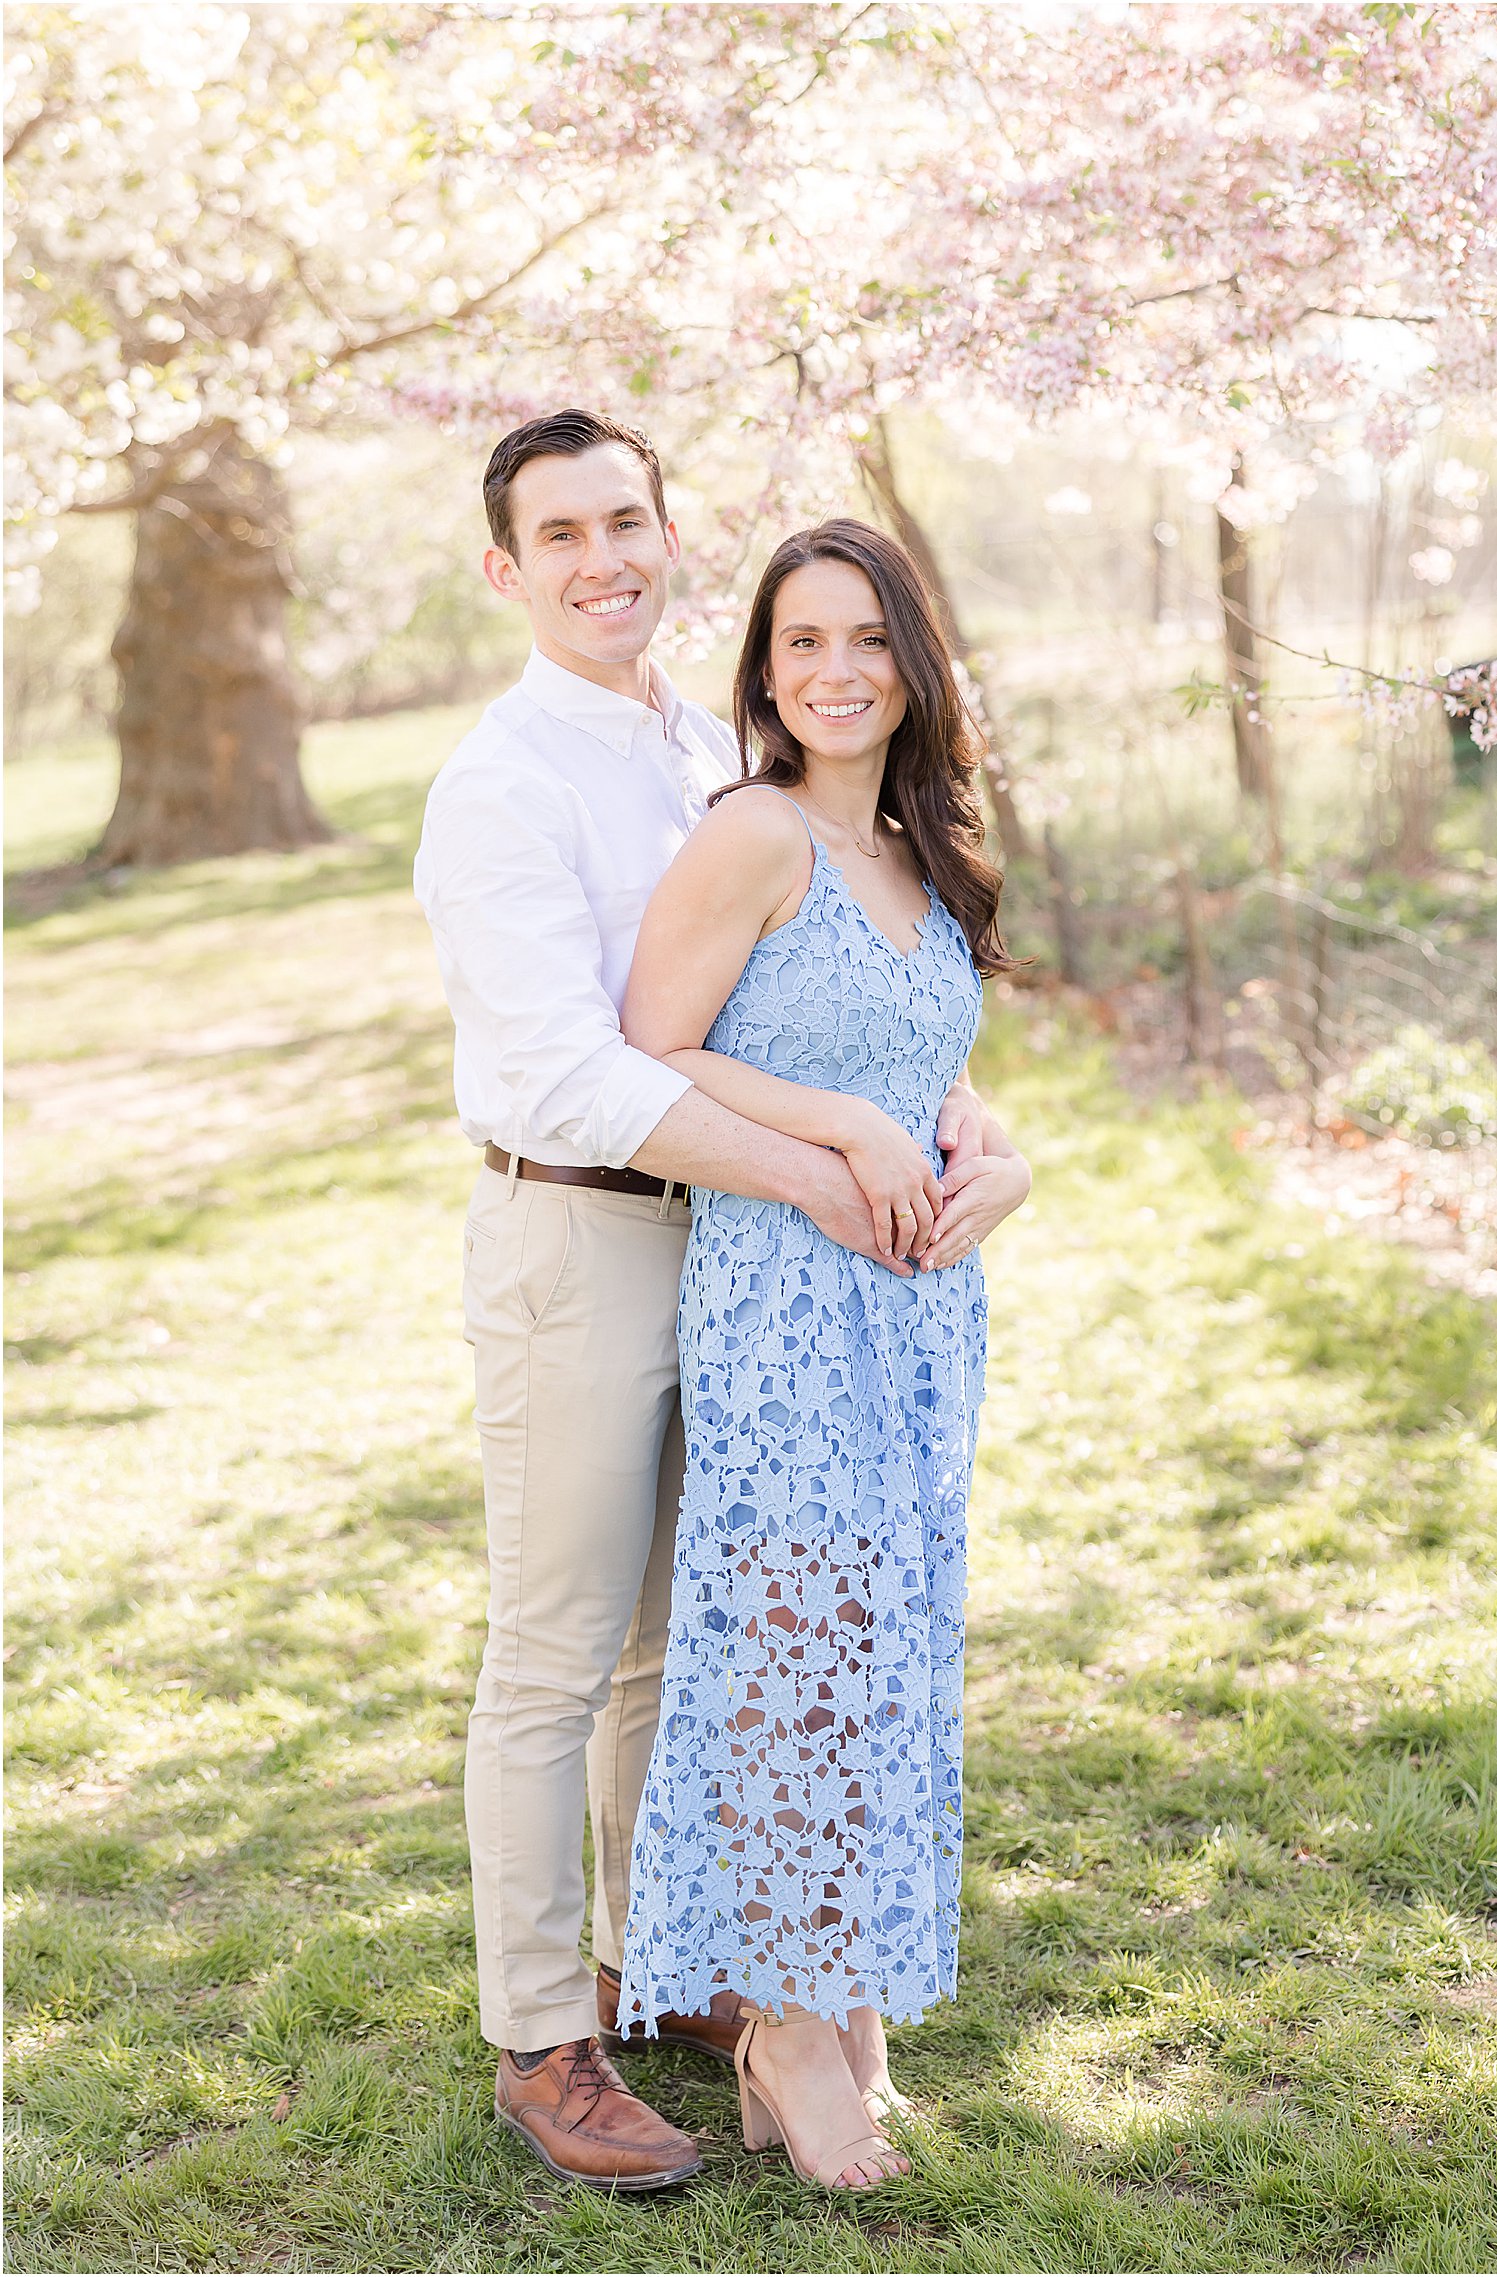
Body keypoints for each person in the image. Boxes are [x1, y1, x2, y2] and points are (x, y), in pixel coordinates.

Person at [413, 413, 1015, 2193]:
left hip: (752, 1250)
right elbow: (580, 1072)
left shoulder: (709, 744)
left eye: (630, 523)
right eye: (562, 535)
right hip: (583, 1228)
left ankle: (683, 1967)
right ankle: (544, 2034)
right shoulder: (499, 783)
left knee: (697, 1647)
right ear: (508, 569)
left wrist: (945, 1128)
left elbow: (825, 996)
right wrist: (834, 1160)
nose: (605, 561)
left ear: (671, 539)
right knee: (557, 1649)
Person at [614, 518, 1031, 2191]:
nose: (837, 670)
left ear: (909, 659)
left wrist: (999, 1156)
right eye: (802, 642)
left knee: (883, 1652)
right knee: (797, 1649)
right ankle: (780, 2023)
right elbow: (653, 1045)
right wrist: (841, 1121)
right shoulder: (755, 835)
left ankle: (846, 1993)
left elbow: (935, 1059)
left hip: (921, 1317)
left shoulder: (924, 856)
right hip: (786, 1299)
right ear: (766, 672)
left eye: (866, 637)